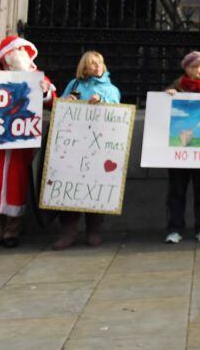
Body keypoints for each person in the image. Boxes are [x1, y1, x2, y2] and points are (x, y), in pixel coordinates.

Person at [0, 36, 56, 249]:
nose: (21, 54)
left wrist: (44, 90)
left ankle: (12, 231)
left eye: (23, 50)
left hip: (18, 146)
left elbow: (52, 100)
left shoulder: (34, 76)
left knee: (15, 188)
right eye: (16, 50)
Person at [53, 51, 122, 250]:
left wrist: (102, 103)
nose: (97, 66)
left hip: (99, 145)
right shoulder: (74, 85)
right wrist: (68, 103)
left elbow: (118, 114)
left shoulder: (110, 89)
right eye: (92, 64)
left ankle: (94, 230)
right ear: (84, 68)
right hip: (74, 146)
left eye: (99, 62)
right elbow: (61, 107)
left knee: (95, 187)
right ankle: (68, 231)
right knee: (70, 188)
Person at [164, 50, 200, 244]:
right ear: (188, 68)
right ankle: (174, 229)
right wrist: (167, 96)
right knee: (177, 191)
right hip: (179, 152)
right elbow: (163, 110)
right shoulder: (177, 86)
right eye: (199, 66)